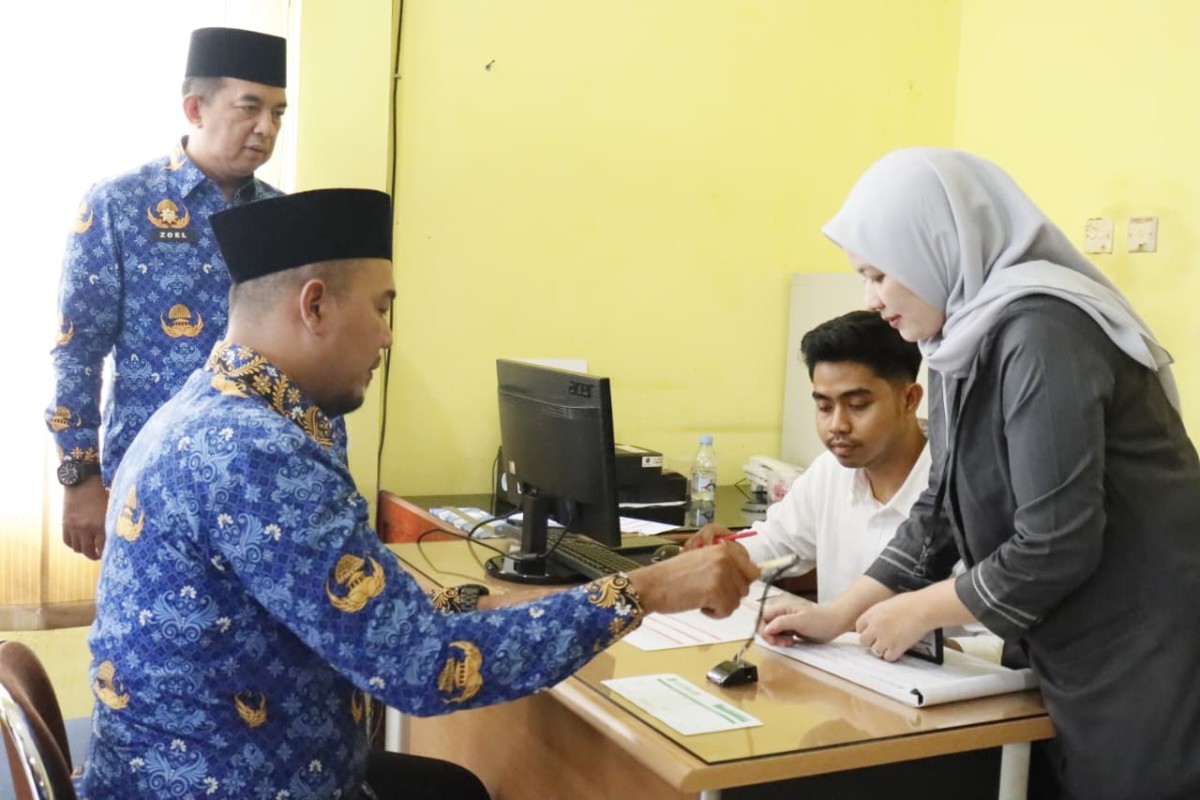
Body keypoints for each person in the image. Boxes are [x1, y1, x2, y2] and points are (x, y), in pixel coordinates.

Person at [79, 188, 760, 800]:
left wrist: (492, 602)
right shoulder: (258, 453)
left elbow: (350, 600)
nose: (386, 337)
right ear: (314, 305)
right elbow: (424, 668)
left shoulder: (210, 407)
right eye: (381, 309)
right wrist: (648, 590)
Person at [760, 147, 1200, 799]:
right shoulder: (956, 338)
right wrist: (840, 614)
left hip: (1143, 643)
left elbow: (1056, 542)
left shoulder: (1042, 332)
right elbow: (939, 509)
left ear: (935, 245)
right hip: (1063, 639)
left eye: (880, 274)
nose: (871, 300)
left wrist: (920, 610)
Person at [46, 27, 301, 561]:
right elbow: (78, 350)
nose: (266, 127)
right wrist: (79, 476)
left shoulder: (285, 219)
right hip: (148, 475)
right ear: (195, 109)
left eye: (278, 113)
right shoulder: (118, 205)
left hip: (258, 478)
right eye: (250, 108)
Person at [685, 310, 931, 605]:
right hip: (832, 637)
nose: (837, 425)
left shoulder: (960, 490)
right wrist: (732, 553)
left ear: (909, 400)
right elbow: (778, 542)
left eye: (857, 405)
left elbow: (983, 625)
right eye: (824, 407)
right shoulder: (829, 471)